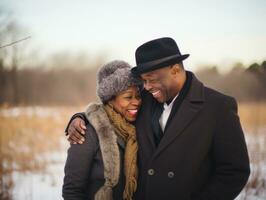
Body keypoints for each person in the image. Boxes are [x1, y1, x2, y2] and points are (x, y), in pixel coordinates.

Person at [66, 37, 250, 200]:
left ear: (175, 70)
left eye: (151, 79)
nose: (146, 87)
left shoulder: (217, 107)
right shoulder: (145, 100)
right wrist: (79, 117)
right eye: (143, 81)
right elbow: (111, 108)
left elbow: (234, 171)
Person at [62, 60, 142, 200]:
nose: (136, 102)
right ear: (110, 99)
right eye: (128, 97)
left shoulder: (138, 128)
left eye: (138, 96)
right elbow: (72, 191)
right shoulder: (87, 133)